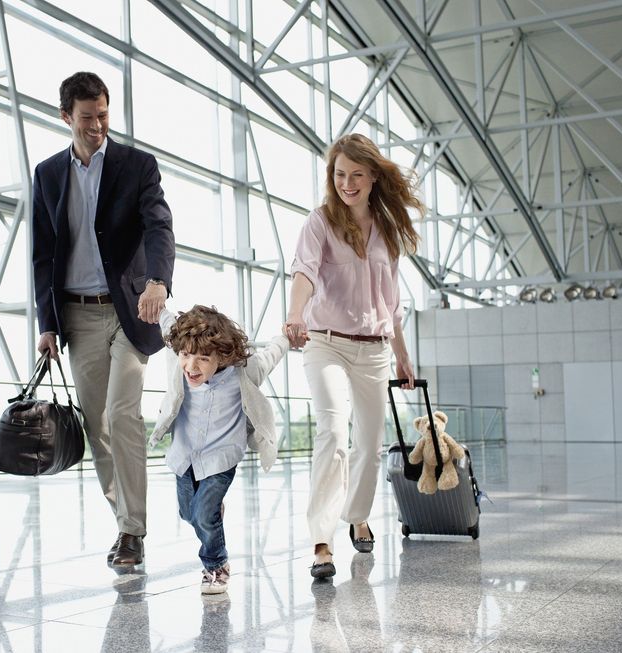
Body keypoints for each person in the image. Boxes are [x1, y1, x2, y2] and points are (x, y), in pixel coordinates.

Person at [31, 72, 175, 567]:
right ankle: (124, 515)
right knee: (99, 427)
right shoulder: (49, 174)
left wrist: (158, 281)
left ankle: (133, 531)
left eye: (104, 116)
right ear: (66, 116)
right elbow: (43, 254)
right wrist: (46, 324)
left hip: (130, 310)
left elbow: (159, 224)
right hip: (77, 315)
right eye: (87, 118)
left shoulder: (137, 166)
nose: (97, 127)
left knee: (121, 414)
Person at [283, 133, 421, 578]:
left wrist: (402, 355)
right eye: (340, 174)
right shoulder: (320, 222)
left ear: (374, 176)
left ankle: (356, 514)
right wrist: (294, 314)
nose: (347, 183)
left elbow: (392, 301)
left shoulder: (386, 230)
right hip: (325, 342)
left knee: (370, 445)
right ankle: (322, 541)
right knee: (332, 433)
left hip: (376, 350)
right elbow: (304, 272)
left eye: (356, 174)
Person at [149, 305, 288, 594]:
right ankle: (212, 511)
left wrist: (287, 338)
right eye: (186, 356)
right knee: (188, 514)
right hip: (184, 455)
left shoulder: (243, 372)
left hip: (221, 458)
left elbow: (271, 356)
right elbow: (167, 321)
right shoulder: (180, 356)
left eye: (202, 359)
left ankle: (216, 565)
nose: (191, 366)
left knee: (203, 515)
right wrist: (157, 303)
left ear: (222, 356)